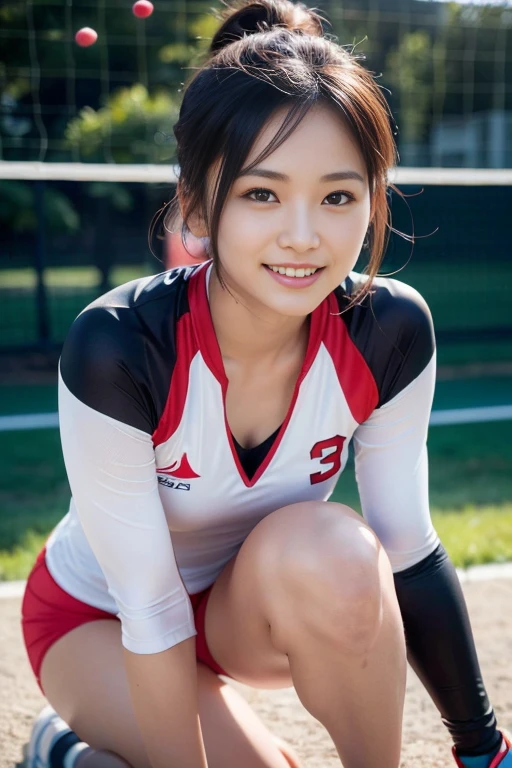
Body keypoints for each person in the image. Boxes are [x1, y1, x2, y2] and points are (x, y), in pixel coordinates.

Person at [20, 1, 511, 767]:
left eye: (339, 196)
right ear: (195, 205)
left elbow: (408, 547)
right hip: (103, 616)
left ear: (374, 200)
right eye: (261, 194)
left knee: (342, 553)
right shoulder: (119, 347)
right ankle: (72, 751)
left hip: (244, 613)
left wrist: (485, 750)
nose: (305, 236)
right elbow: (150, 606)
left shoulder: (389, 331)